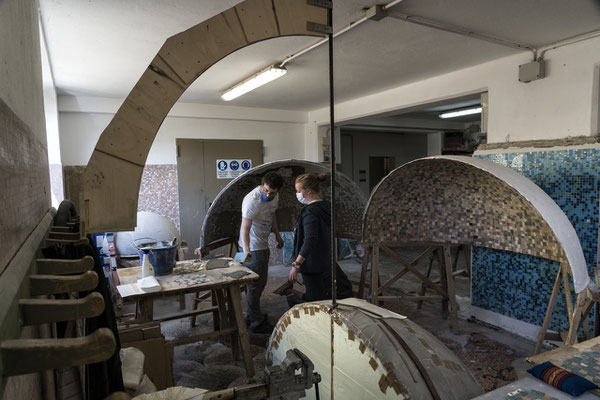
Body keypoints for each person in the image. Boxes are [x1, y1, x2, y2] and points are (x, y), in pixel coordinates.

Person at [288, 173, 353, 305]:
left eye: (299, 191)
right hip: (325, 259)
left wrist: (296, 264)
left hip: (312, 264)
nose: (297, 194)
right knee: (320, 293)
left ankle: (293, 301)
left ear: (308, 191)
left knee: (315, 301)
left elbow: (310, 240)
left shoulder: (310, 212)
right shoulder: (327, 206)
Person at [239, 171, 284, 333]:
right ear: (262, 185)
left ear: (278, 190)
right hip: (252, 245)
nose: (268, 194)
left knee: (260, 282)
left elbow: (272, 215)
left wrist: (277, 235)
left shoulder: (275, 197)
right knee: (255, 285)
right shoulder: (252, 200)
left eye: (272, 192)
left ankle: (252, 315)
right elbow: (244, 228)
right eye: (265, 190)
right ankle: (256, 321)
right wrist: (246, 251)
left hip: (263, 243)